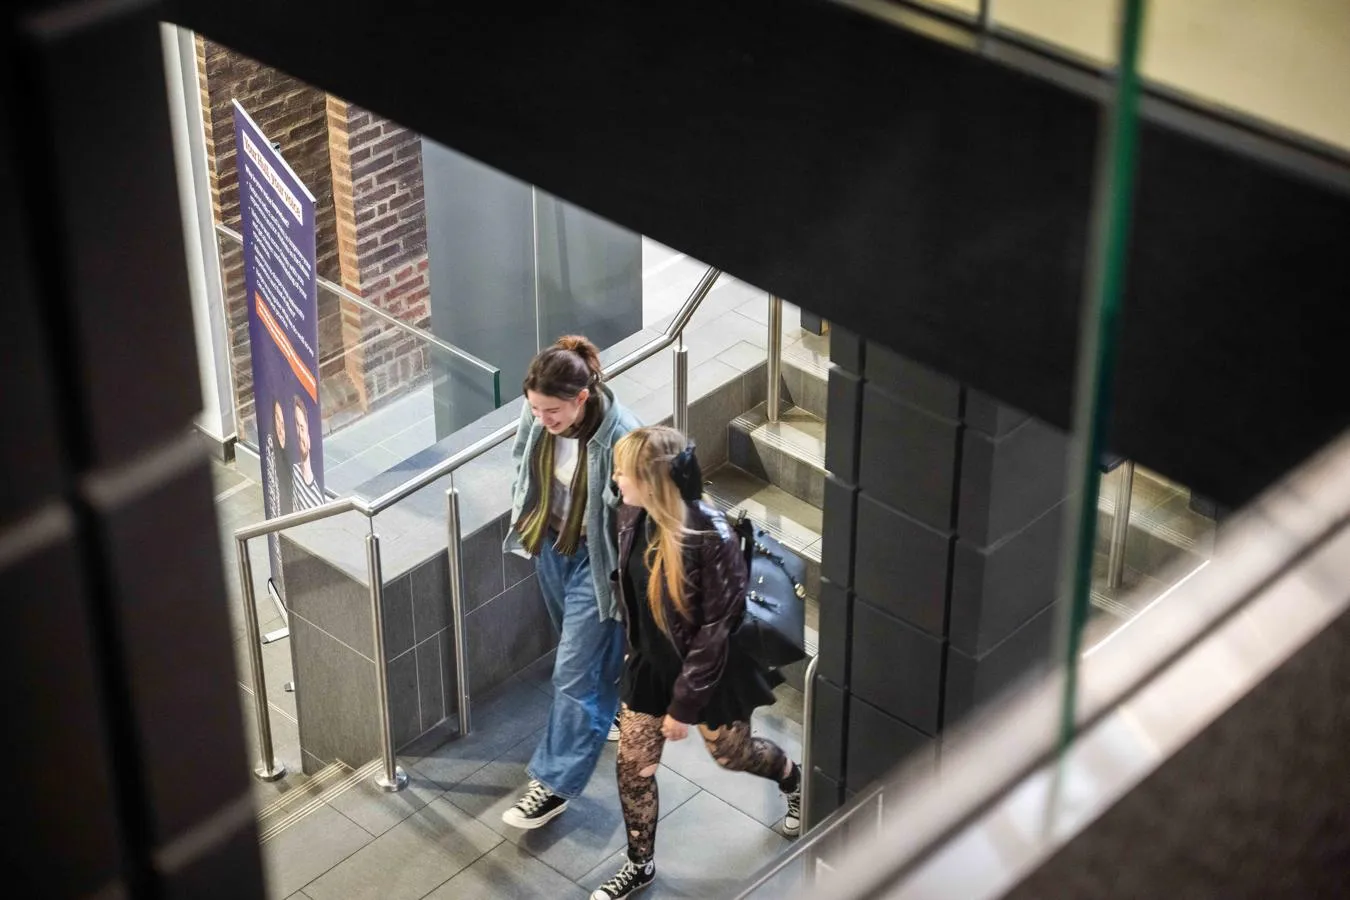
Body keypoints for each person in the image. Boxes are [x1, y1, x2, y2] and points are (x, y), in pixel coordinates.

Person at [591, 427, 802, 900]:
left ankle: (792, 776)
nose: (616, 477)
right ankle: (639, 864)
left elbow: (715, 632)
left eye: (624, 471)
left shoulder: (712, 536)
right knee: (633, 766)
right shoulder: (630, 512)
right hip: (650, 662)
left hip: (710, 672)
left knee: (731, 754)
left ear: (654, 483)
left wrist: (684, 708)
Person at [501, 335, 641, 829]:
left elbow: (640, 517)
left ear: (581, 397)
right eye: (534, 409)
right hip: (552, 544)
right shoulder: (538, 412)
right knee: (582, 657)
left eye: (552, 411)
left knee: (574, 671)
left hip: (596, 562)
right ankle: (608, 712)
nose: (542, 419)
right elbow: (523, 457)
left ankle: (554, 784)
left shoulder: (622, 435)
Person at [290, 394, 323, 510]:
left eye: (302, 428)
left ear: (309, 437)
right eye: (297, 427)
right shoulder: (294, 471)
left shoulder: (318, 500)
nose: (299, 434)